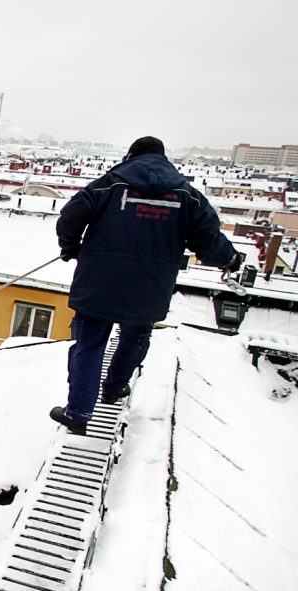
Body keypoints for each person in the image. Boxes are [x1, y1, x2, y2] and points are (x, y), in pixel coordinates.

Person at [51, 136, 241, 434]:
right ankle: (113, 389)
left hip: (99, 282)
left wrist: (70, 246)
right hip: (150, 287)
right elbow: (209, 239)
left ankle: (78, 413)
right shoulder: (187, 196)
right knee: (134, 339)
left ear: (131, 156)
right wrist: (230, 260)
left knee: (89, 345)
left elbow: (71, 216)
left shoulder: (108, 184)